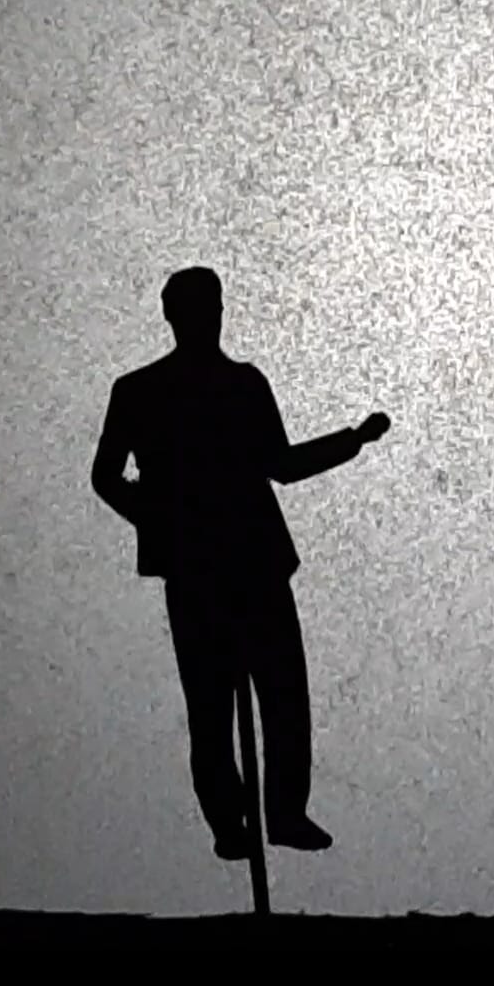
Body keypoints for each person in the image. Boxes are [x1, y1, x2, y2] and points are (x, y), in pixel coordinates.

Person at [92, 266, 390, 861]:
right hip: (199, 569)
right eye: (200, 308)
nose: (210, 319)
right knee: (212, 705)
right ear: (174, 315)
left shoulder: (243, 383)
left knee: (281, 696)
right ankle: (231, 823)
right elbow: (105, 476)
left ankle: (283, 813)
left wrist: (351, 441)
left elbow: (280, 464)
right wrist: (156, 519)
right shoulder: (138, 390)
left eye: (214, 307)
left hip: (254, 562)